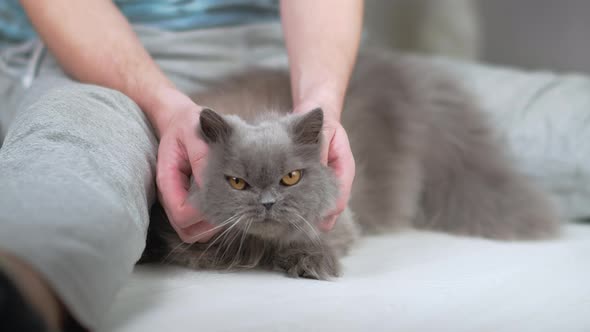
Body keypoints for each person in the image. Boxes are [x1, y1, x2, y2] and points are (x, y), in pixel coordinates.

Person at [0, 0, 361, 330]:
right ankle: (24, 284)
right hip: (100, 59)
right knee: (82, 144)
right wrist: (164, 105)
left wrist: (322, 99)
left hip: (284, 58)